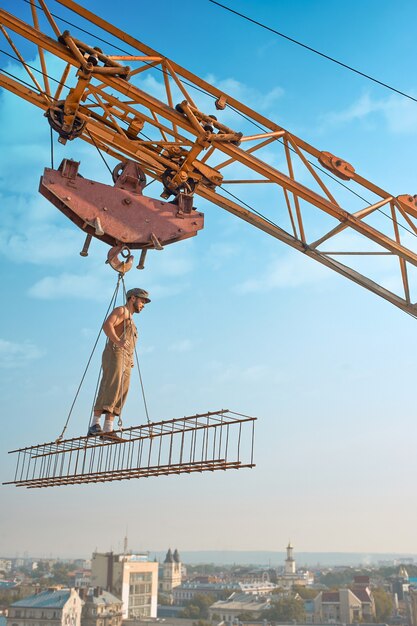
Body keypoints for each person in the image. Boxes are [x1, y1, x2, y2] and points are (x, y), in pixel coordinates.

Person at [87, 287, 150, 439]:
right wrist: (118, 341)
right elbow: (107, 325)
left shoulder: (131, 320)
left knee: (122, 391)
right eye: (142, 301)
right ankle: (95, 424)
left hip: (126, 358)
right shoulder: (122, 311)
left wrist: (130, 357)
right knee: (111, 385)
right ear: (132, 298)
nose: (143, 305)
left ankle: (108, 428)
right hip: (116, 352)